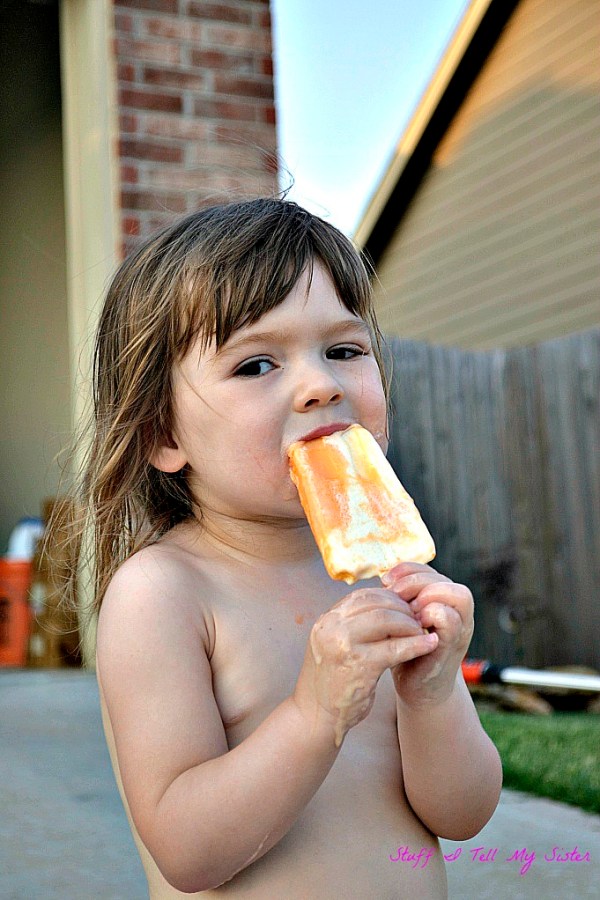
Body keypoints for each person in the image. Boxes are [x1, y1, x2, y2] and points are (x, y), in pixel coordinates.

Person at [64, 198, 502, 897]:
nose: (320, 385)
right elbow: (187, 851)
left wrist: (433, 695)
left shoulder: (391, 578)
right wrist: (315, 713)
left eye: (344, 351)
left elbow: (462, 814)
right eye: (257, 364)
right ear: (162, 434)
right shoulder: (164, 592)